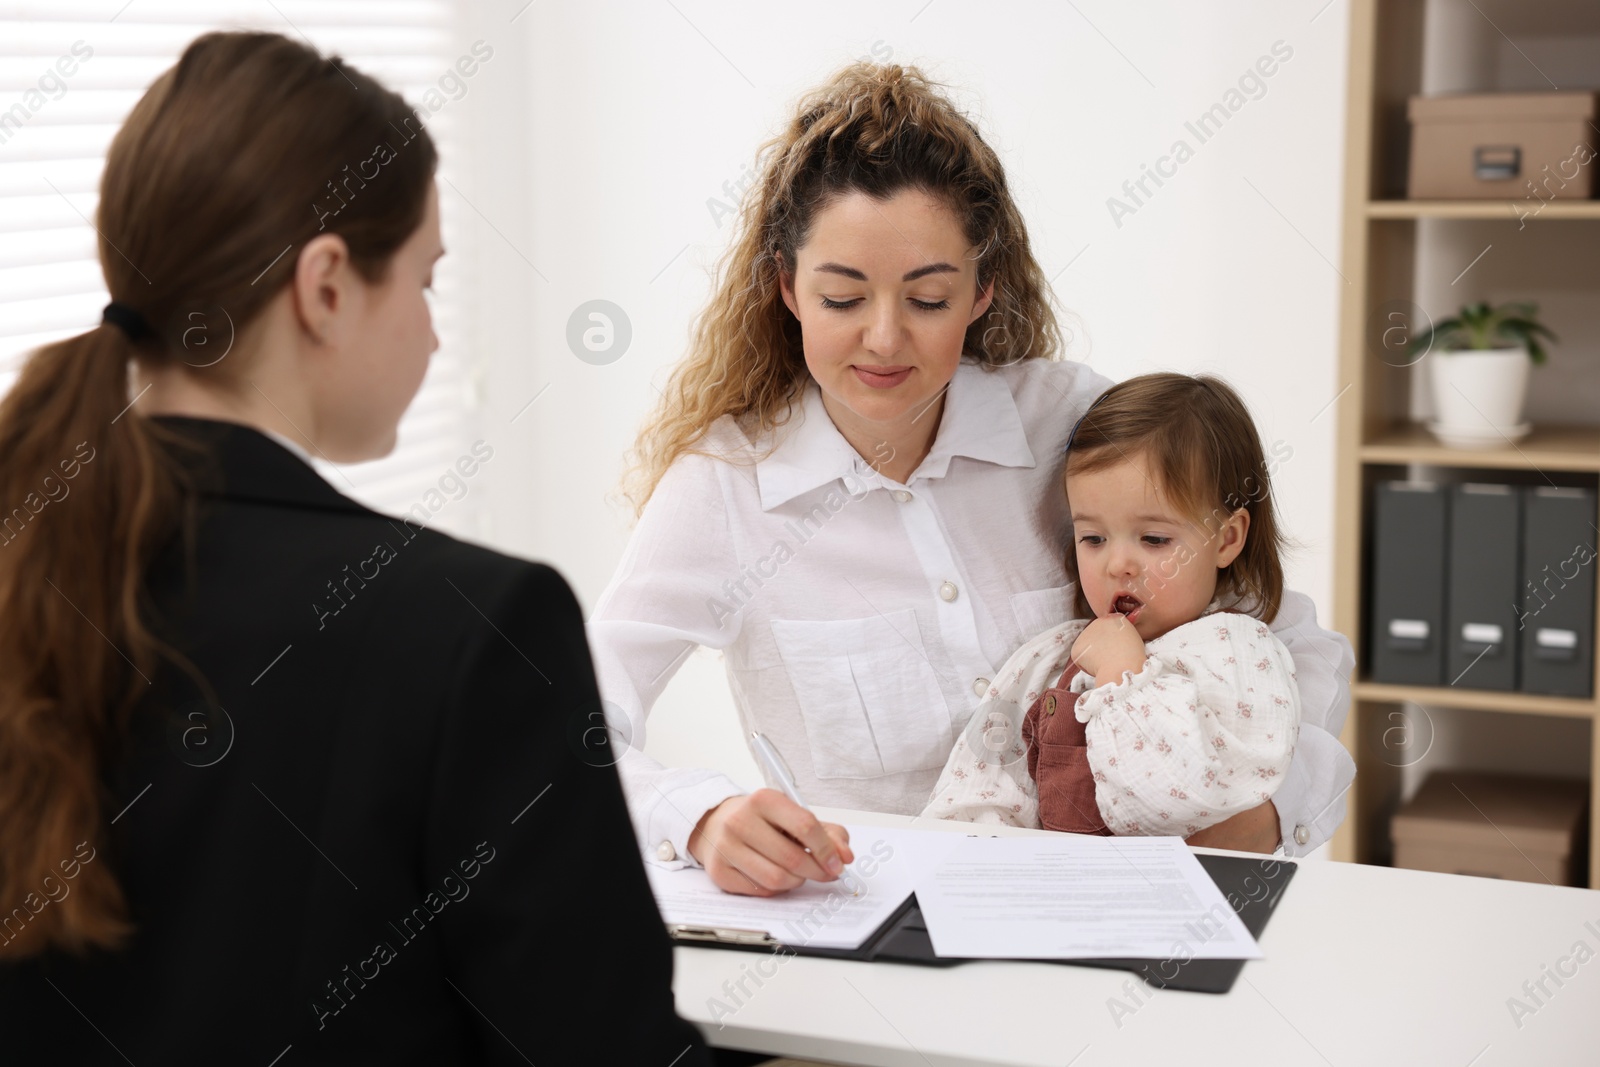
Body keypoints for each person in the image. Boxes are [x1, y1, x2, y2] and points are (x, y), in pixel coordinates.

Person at [0, 32, 709, 1066]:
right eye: (424, 280)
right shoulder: (470, 626)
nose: (431, 332)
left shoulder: (34, 562)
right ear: (326, 284)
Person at [590, 62, 1355, 898]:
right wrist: (694, 815)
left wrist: (1274, 810)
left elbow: (1294, 644)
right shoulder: (727, 490)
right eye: (843, 297)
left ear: (983, 288)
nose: (884, 339)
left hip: (1128, 906)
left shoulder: (1068, 424)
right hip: (877, 920)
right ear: (787, 288)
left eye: (927, 298)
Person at [923, 373, 1302, 835]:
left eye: (1155, 538)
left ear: (1227, 538)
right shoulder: (1052, 657)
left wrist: (1122, 676)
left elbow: (1177, 798)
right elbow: (979, 789)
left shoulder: (1240, 653)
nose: (1118, 564)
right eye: (1094, 538)